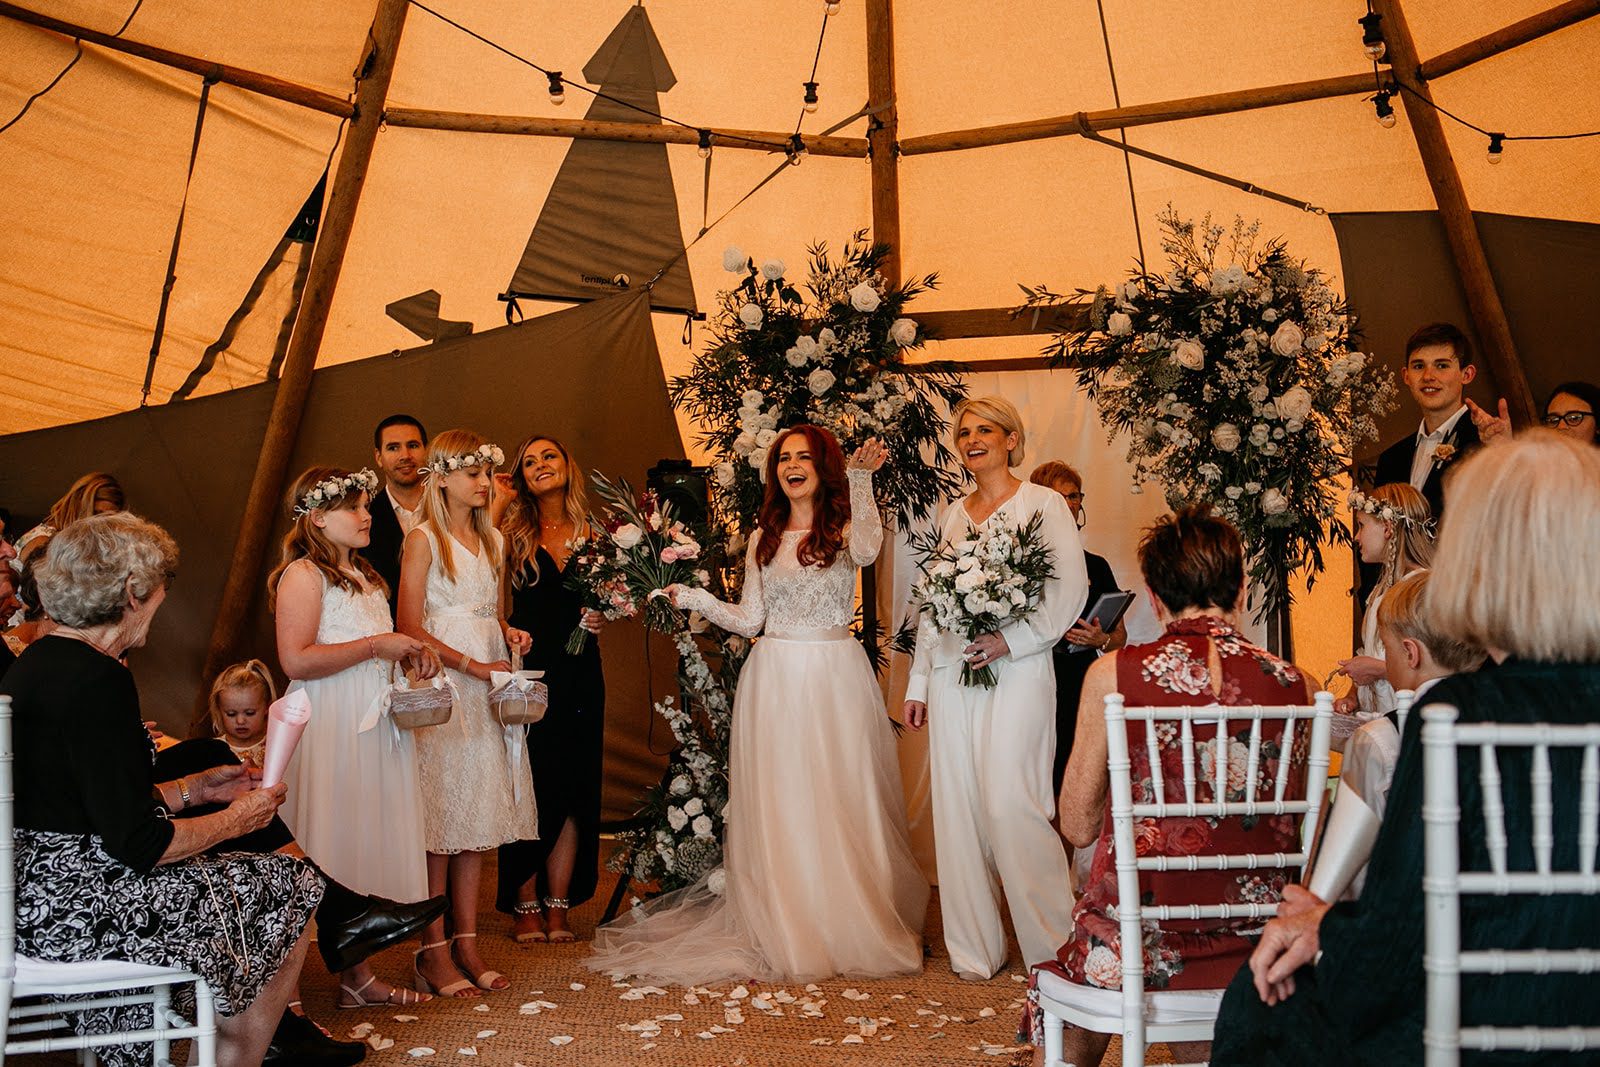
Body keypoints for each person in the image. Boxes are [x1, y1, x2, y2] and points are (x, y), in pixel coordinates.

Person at [1212, 430, 1600, 1065]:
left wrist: (1320, 922)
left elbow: (1393, 937)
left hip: (1479, 1023)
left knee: (1260, 1000)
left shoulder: (1458, 716)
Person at [587, 426, 928, 985]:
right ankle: (787, 921)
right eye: (783, 458)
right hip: (773, 677)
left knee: (839, 793)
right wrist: (693, 596)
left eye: (804, 457)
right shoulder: (761, 537)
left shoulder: (845, 527)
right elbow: (749, 620)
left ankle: (843, 918)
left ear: (824, 467)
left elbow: (868, 552)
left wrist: (863, 482)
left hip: (832, 673)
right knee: (782, 798)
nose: (792, 466)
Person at [0, 512, 322, 1067]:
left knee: (256, 879)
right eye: (161, 590)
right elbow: (141, 844)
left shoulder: (40, 665)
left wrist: (196, 789)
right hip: (77, 907)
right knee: (292, 883)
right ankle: (231, 1061)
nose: (162, 602)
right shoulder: (99, 681)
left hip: (34, 892)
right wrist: (241, 818)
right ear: (132, 591)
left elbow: (89, 805)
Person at [1028, 505, 1314, 1067]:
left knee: (1093, 946)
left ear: (1155, 597)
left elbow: (1078, 825)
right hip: (1259, 937)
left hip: (1141, 936)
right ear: (1241, 588)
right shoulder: (1293, 683)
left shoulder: (1114, 674)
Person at [903, 396, 1089, 979]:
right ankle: (975, 950)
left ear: (1011, 439)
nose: (972, 439)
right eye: (963, 432)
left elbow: (1069, 591)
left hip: (1019, 672)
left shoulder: (1045, 504)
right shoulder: (950, 514)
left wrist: (1013, 640)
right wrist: (918, 683)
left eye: (985, 429)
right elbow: (932, 606)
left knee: (1015, 805)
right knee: (959, 810)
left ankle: (1053, 950)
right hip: (953, 674)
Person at [271, 465, 439, 1008]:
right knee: (320, 845)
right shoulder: (303, 575)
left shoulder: (367, 575)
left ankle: (357, 980)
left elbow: (377, 650)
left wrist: (406, 661)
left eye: (367, 506)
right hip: (330, 726)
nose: (368, 516)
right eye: (356, 508)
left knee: (360, 845)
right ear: (317, 517)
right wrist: (376, 646)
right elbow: (295, 658)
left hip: (373, 726)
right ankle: (286, 1000)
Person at [398, 431, 537, 998]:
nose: (486, 483)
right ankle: (432, 951)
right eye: (474, 473)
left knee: (477, 816)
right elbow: (408, 622)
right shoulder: (422, 539)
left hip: (488, 680)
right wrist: (470, 666)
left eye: (487, 472)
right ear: (443, 478)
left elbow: (491, 610)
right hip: (445, 680)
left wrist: (507, 633)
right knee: (441, 820)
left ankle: (469, 942)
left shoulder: (495, 541)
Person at [492, 435, 607, 944]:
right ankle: (524, 901)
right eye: (530, 461)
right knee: (527, 782)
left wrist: (608, 613)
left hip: (583, 669)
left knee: (574, 784)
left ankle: (559, 905)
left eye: (550, 456)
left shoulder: (596, 531)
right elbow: (484, 599)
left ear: (567, 465)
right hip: (528, 670)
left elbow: (615, 595)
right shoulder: (507, 532)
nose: (541, 465)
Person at [1309, 570, 1484, 903]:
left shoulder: (1381, 739)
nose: (1386, 663)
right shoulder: (1504, 721)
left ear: (1410, 653)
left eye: (1386, 650)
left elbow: (1342, 882)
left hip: (1405, 916)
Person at [1028, 460, 1128, 797]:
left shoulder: (1097, 566)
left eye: (1073, 497)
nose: (1068, 505)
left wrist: (1101, 638)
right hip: (1034, 678)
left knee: (1076, 782)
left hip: (1080, 684)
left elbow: (1120, 640)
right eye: (1059, 497)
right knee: (1035, 781)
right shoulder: (1020, 565)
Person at [1363, 323, 1479, 604]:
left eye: (1441, 365)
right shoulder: (1392, 457)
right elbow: (1378, 534)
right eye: (1418, 366)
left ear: (1466, 374)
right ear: (1405, 376)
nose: (1429, 376)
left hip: (1459, 606)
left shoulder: (1484, 446)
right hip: (1395, 608)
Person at [1334, 484, 1433, 722]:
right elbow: (1373, 651)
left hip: (1409, 719)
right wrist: (1353, 695)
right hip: (1380, 717)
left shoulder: (1422, 589)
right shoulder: (1380, 590)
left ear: (1388, 527)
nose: (1356, 537)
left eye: (1361, 526)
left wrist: (1377, 669)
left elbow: (1435, 667)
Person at [367, 414, 429, 620]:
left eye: (413, 445)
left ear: (426, 451)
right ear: (378, 457)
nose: (405, 455)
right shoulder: (364, 517)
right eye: (393, 447)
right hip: (392, 638)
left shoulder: (451, 508)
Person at [13, 470, 125, 558]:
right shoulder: (43, 543)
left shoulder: (68, 542)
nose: (101, 524)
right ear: (77, 504)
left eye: (108, 519)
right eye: (95, 514)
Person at [1469, 379, 1600, 448]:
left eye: (1574, 418)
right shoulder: (1540, 471)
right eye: (1553, 420)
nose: (1561, 427)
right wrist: (1503, 446)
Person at [205, 658, 275, 768]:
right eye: (231, 714)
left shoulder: (276, 746)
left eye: (250, 713)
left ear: (267, 707)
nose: (240, 721)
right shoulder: (211, 750)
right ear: (219, 710)